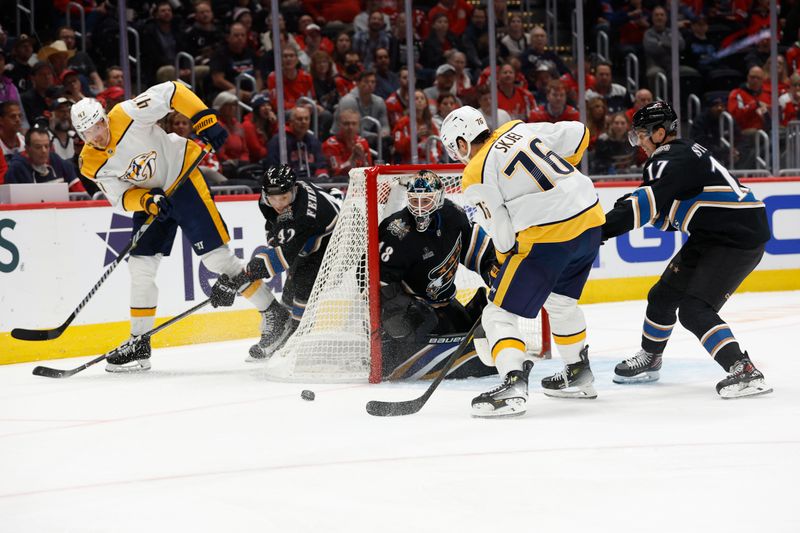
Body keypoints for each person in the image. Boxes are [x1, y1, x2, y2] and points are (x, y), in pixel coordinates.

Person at [71, 81, 272, 372]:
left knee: (218, 259)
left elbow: (174, 90)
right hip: (152, 199)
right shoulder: (89, 162)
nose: (97, 134)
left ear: (104, 117)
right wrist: (146, 201)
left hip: (182, 176)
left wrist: (204, 118)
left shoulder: (127, 113)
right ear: (81, 135)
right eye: (89, 132)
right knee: (140, 267)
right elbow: (120, 198)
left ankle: (273, 313)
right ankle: (138, 343)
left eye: (99, 125)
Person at [601, 101, 773, 399]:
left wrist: (598, 230)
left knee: (694, 310)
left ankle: (744, 370)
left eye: (641, 134)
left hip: (736, 237)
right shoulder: (683, 152)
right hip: (716, 232)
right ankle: (651, 358)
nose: (638, 142)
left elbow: (645, 206)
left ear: (658, 133)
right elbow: (667, 213)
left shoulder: (667, 158)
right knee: (662, 296)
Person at [440, 106, 603, 417]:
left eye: (454, 148)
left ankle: (513, 384)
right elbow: (579, 134)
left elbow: (502, 236)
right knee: (560, 302)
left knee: (498, 313)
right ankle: (579, 373)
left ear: (462, 142)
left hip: (549, 236)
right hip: (591, 219)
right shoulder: (518, 128)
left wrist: (501, 263)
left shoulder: (474, 172)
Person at [211, 164, 341, 360]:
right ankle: (284, 328)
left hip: (336, 236)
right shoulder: (266, 202)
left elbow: (281, 258)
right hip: (312, 232)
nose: (279, 204)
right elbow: (276, 231)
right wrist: (245, 273)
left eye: (284, 197)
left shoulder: (304, 214)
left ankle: (295, 336)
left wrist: (240, 276)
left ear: (294, 189)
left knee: (305, 283)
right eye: (273, 198)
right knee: (294, 278)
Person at [378, 169, 496, 380]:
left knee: (481, 329)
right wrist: (403, 312)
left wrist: (493, 269)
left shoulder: (453, 216)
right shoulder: (396, 231)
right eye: (415, 200)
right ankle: (401, 350)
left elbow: (475, 249)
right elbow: (373, 282)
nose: (420, 207)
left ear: (440, 197)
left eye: (427, 200)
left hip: (444, 303)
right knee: (473, 357)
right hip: (415, 314)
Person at [5, 124, 83, 191]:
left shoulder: (57, 161)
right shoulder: (17, 169)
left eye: (46, 146)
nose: (44, 151)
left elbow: (81, 194)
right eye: (38, 147)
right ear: (27, 149)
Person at [265, 105, 329, 182]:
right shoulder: (278, 141)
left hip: (313, 184)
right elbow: (273, 168)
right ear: (291, 122)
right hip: (289, 184)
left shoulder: (313, 141)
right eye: (300, 119)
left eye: (306, 119)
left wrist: (322, 178)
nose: (304, 122)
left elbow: (321, 165)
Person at [322, 108, 372, 178]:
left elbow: (370, 170)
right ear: (339, 125)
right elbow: (336, 173)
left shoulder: (362, 142)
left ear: (358, 125)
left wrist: (363, 158)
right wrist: (352, 158)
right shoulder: (330, 145)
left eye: (354, 123)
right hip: (337, 185)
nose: (350, 127)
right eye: (346, 124)